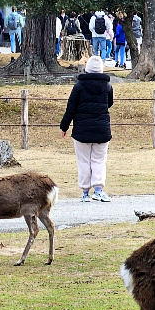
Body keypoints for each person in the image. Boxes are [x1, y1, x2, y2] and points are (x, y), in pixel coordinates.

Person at [60, 56, 114, 202]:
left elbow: (70, 108)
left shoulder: (79, 86)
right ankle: (98, 189)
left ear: (87, 68)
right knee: (99, 160)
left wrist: (64, 126)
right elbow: (109, 103)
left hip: (81, 130)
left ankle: (85, 192)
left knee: (84, 161)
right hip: (102, 129)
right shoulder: (107, 86)